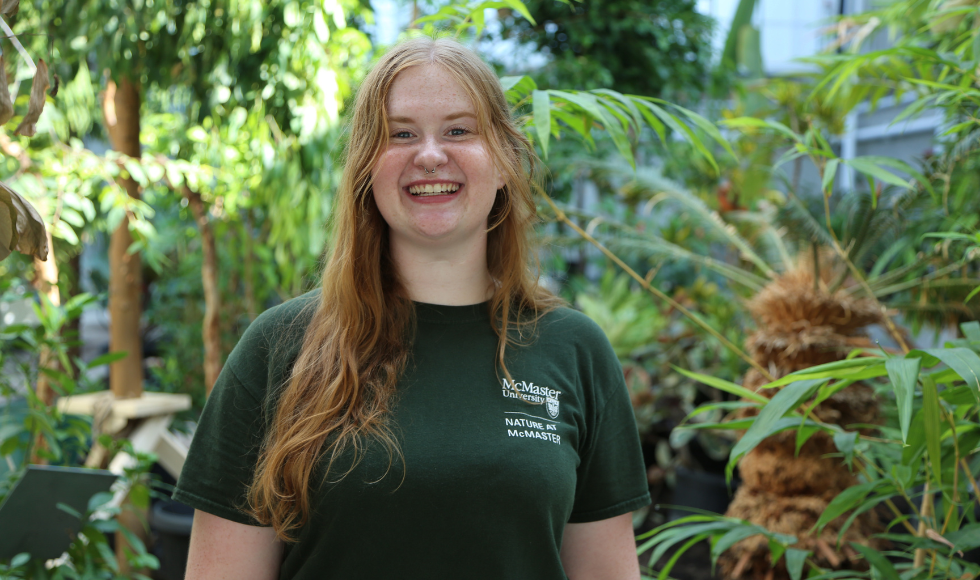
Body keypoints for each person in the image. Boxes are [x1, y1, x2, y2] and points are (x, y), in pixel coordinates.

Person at [174, 36, 650, 580]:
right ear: (365, 169)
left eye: (459, 130)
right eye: (400, 134)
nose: (429, 155)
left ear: (505, 161)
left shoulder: (573, 349)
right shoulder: (280, 345)